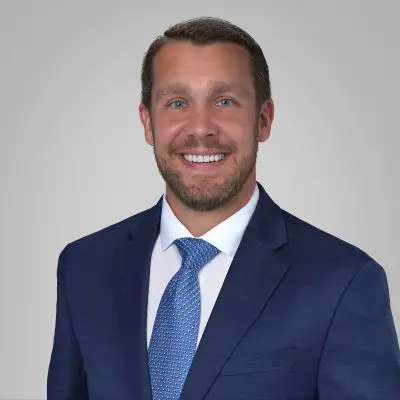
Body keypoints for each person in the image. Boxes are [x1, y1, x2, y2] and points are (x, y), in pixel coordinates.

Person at [47, 16, 400, 400]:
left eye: (225, 101)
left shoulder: (342, 283)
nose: (201, 128)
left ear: (262, 120)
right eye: (177, 102)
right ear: (148, 122)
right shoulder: (84, 267)